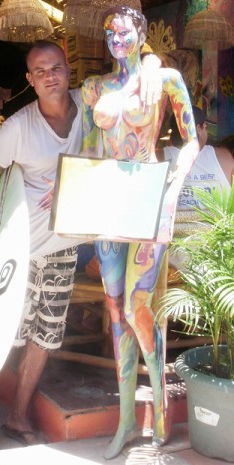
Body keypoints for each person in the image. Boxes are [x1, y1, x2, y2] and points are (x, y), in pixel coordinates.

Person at [0, 40, 163, 454]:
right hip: (18, 248)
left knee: (44, 336)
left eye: (56, 67)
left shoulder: (91, 106)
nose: (50, 75)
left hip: (63, 248)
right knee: (3, 330)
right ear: (30, 80)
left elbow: (137, 84)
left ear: (68, 70)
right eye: (40, 71)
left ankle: (18, 416)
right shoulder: (18, 127)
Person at [81, 4, 199, 460]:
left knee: (137, 305)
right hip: (109, 206)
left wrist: (173, 186)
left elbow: (191, 141)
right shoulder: (96, 87)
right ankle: (128, 418)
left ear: (141, 33)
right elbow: (92, 147)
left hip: (148, 202)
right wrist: (73, 189)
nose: (116, 39)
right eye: (110, 32)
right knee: (114, 308)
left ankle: (161, 405)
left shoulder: (164, 79)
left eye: (124, 31)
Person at [157, 107, 233, 271]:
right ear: (198, 128)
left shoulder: (158, 158)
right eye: (205, 127)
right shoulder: (225, 157)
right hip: (216, 268)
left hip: (169, 269)